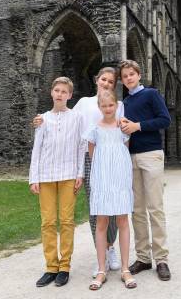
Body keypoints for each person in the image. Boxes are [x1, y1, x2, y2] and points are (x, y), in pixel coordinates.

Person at [32, 67, 123, 277]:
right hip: (90, 159)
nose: (106, 83)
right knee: (95, 207)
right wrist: (40, 120)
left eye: (111, 81)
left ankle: (110, 248)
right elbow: (73, 129)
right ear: (96, 80)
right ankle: (100, 254)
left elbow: (121, 129)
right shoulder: (83, 104)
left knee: (114, 206)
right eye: (103, 79)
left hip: (111, 159)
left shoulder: (120, 105)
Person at [118, 60, 172, 281]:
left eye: (132, 74)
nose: (129, 78)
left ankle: (161, 259)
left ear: (139, 75)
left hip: (151, 155)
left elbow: (165, 120)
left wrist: (137, 126)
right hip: (131, 157)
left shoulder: (151, 94)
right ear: (122, 80)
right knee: (137, 210)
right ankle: (143, 257)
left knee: (155, 208)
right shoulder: (125, 102)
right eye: (125, 76)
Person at [29, 77, 85, 288]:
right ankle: (51, 266)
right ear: (51, 93)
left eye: (64, 91)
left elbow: (81, 146)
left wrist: (80, 174)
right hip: (45, 176)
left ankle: (65, 266)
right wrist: (34, 177)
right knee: (48, 222)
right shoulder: (42, 119)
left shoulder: (77, 118)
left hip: (69, 174)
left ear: (70, 95)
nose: (60, 94)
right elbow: (37, 149)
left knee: (67, 221)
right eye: (57, 90)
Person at [83, 90, 136, 290]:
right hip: (102, 179)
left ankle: (124, 269)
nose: (107, 109)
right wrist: (98, 179)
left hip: (120, 178)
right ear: (99, 107)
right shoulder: (94, 129)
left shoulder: (123, 127)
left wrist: (123, 176)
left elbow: (125, 150)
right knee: (102, 221)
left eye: (110, 105)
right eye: (104, 106)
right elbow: (92, 155)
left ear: (116, 105)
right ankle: (101, 270)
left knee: (123, 220)